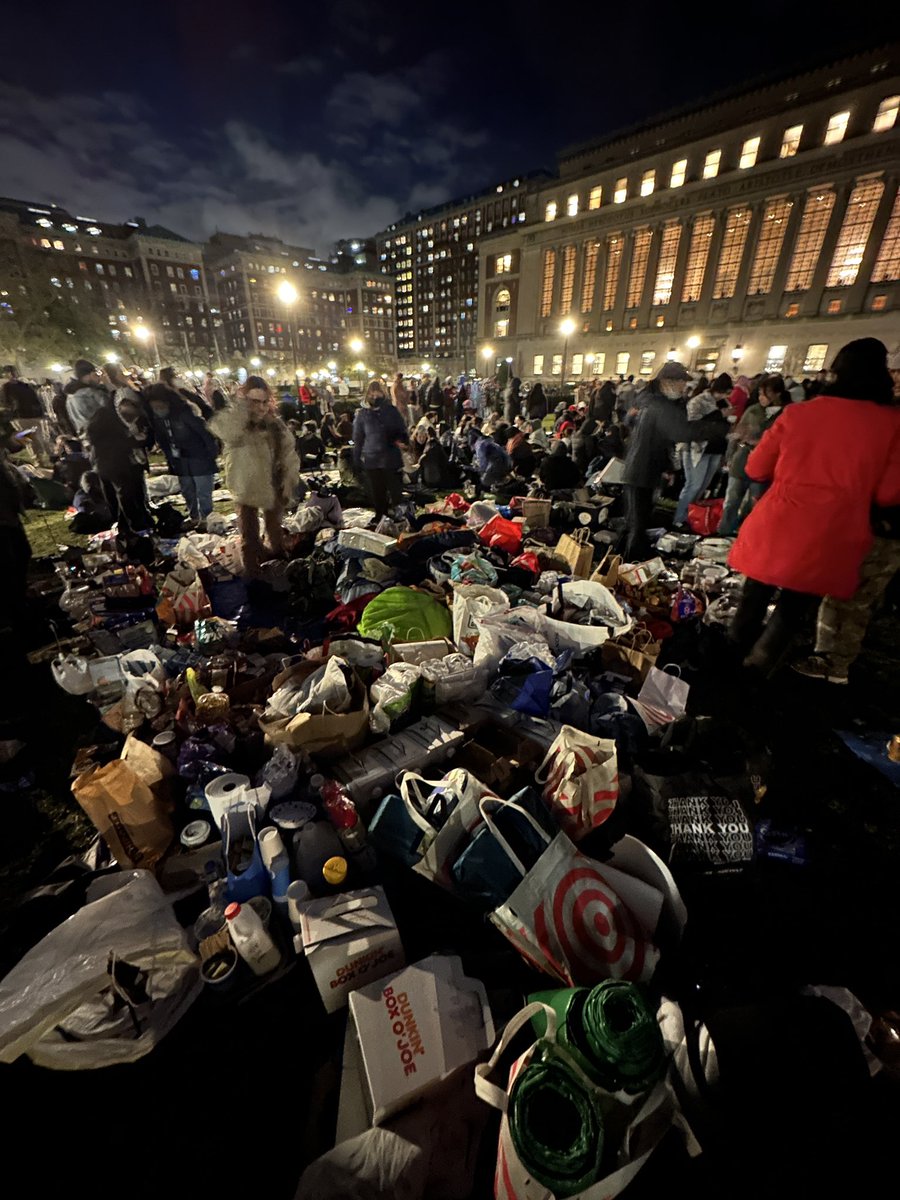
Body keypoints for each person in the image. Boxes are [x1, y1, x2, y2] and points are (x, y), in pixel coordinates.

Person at [728, 339, 900, 675]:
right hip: (833, 532)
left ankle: (725, 663)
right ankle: (755, 670)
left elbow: (756, 468)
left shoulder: (799, 413)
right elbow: (889, 492)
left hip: (780, 522)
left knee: (753, 597)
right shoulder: (891, 424)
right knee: (792, 609)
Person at [621, 361, 728, 561]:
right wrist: (721, 429)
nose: (683, 387)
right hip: (640, 470)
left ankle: (630, 561)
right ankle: (628, 566)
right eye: (680, 383)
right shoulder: (658, 404)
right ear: (667, 382)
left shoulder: (651, 400)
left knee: (639, 521)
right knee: (637, 525)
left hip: (645, 468)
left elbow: (657, 437)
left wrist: (667, 467)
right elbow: (681, 431)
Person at [210, 375, 298, 574]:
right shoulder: (237, 423)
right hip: (246, 485)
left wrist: (288, 478)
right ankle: (253, 575)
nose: (261, 407)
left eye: (265, 402)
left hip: (273, 483)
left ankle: (278, 564)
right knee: (249, 535)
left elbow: (288, 451)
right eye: (255, 402)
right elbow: (221, 429)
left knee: (275, 529)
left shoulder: (274, 425)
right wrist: (241, 410)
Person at [719, 376, 788, 536]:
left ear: (777, 394)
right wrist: (730, 455)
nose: (762, 398)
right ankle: (723, 533)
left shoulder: (786, 414)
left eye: (766, 394)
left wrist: (757, 441)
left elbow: (782, 442)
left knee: (754, 504)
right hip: (741, 460)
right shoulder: (753, 410)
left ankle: (744, 534)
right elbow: (738, 432)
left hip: (765, 466)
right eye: (760, 394)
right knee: (731, 501)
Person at [86, 385, 155, 547]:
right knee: (125, 494)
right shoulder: (104, 416)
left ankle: (142, 524)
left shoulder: (138, 417)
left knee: (137, 493)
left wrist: (143, 439)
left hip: (134, 462)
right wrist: (130, 442)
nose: (131, 409)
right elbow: (97, 439)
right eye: (128, 405)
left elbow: (149, 436)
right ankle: (135, 528)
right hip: (113, 463)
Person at [145, 383, 219, 522]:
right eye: (154, 408)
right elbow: (163, 440)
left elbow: (204, 433)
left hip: (199, 456)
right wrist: (170, 459)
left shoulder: (185, 413)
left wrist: (211, 453)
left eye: (160, 406)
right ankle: (194, 517)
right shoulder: (158, 420)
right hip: (180, 460)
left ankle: (206, 519)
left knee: (203, 491)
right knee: (187, 490)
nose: (158, 410)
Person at [672, 372, 732, 527]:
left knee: (703, 485)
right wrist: (718, 415)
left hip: (715, 449)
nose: (725, 395)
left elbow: (726, 427)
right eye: (725, 392)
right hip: (696, 449)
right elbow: (692, 425)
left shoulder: (725, 403)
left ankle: (692, 516)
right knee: (694, 484)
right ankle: (679, 518)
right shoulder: (699, 401)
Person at [352, 379, 409, 519]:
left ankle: (400, 518)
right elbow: (358, 438)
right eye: (372, 392)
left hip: (391, 458)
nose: (375, 396)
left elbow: (402, 430)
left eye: (377, 392)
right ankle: (381, 518)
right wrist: (356, 460)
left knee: (396, 492)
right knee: (378, 494)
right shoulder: (363, 415)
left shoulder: (391, 411)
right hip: (372, 460)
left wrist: (401, 440)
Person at [65, 360, 108, 442]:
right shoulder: (92, 394)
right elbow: (109, 412)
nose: (99, 379)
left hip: (86, 440)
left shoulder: (70, 396)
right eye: (96, 375)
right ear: (90, 374)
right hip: (104, 438)